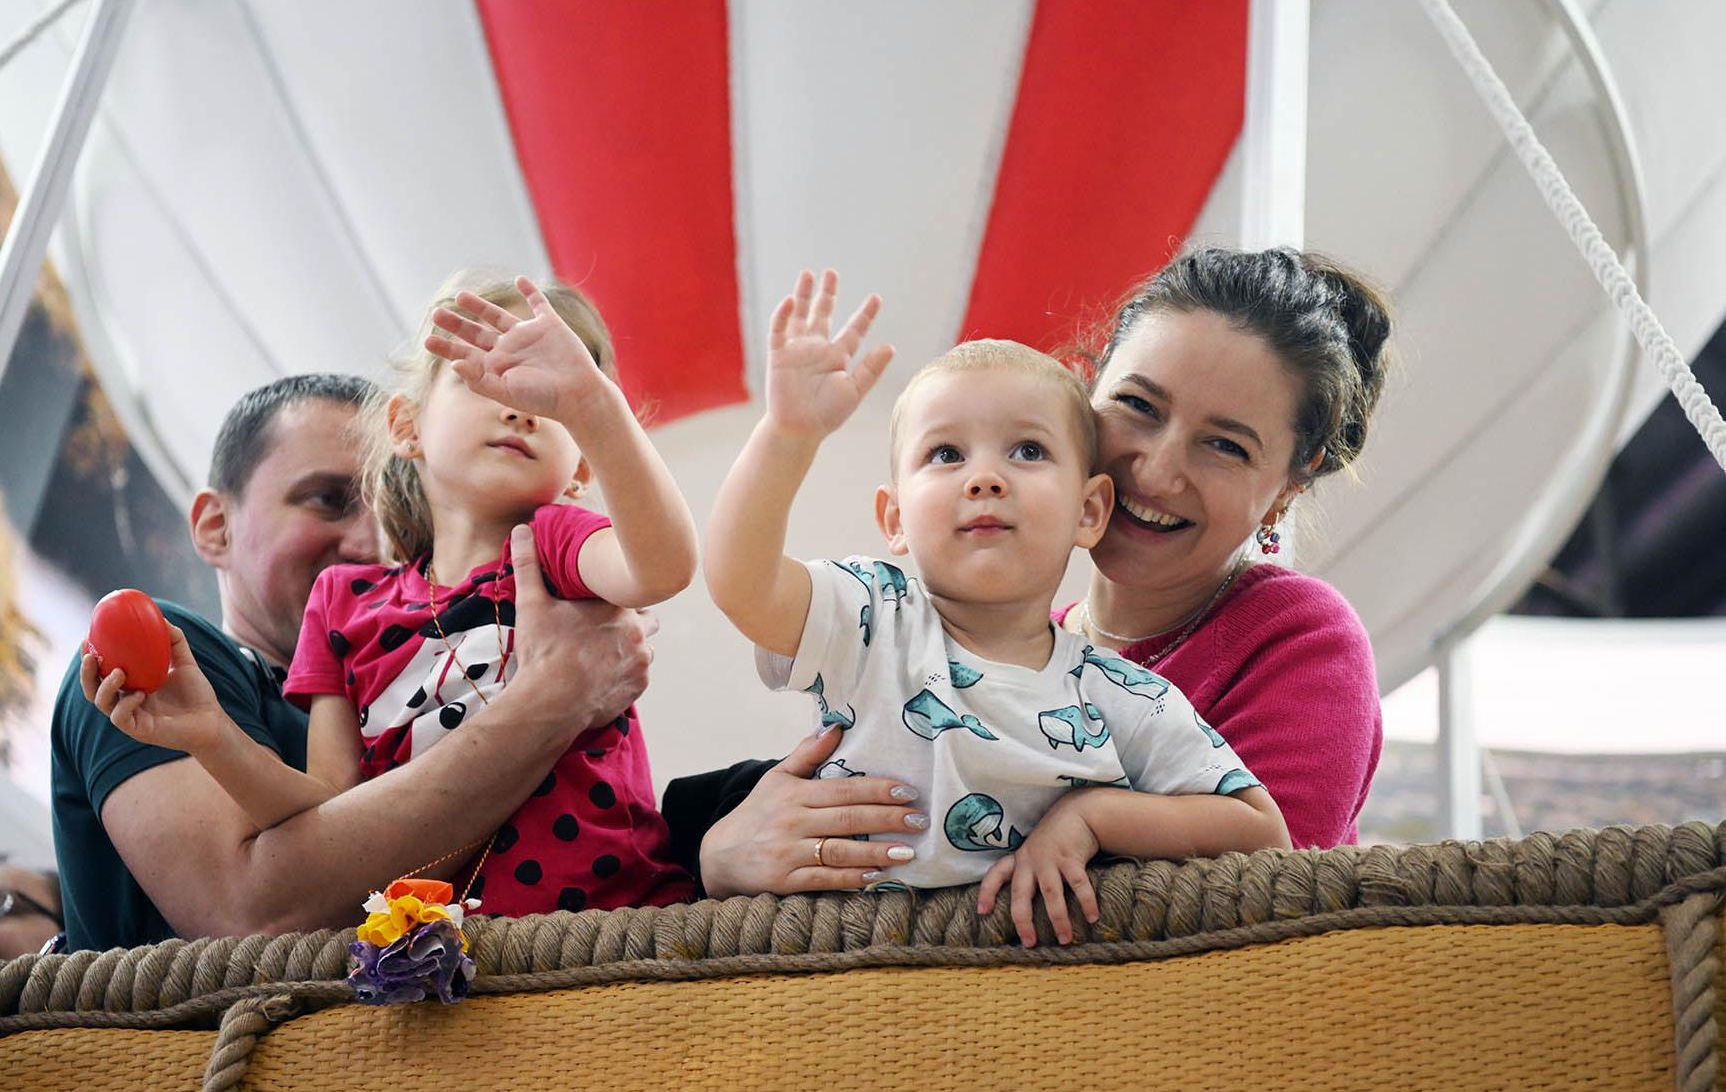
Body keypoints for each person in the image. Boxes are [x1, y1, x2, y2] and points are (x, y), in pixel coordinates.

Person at [685, 247, 1389, 893]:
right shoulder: (912, 629)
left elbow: (1266, 884)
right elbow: (744, 584)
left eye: (1227, 446)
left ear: (1288, 486)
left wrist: (1090, 816)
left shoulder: (1219, 664)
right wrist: (722, 854)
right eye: (1138, 406)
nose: (1157, 471)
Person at [83, 276, 700, 918]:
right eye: (486, 380)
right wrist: (213, 737)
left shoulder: (556, 547)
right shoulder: (342, 601)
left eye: (550, 400)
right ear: (407, 426)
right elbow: (324, 817)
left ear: (580, 469)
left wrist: (594, 406)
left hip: (612, 928)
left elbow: (661, 567)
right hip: (442, 952)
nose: (520, 409)